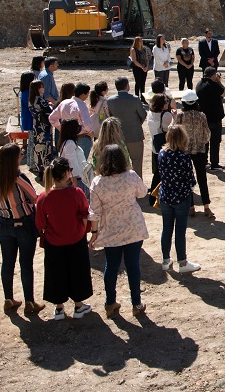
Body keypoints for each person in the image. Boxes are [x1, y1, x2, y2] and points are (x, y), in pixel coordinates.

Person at [89, 144, 149, 317]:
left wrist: (94, 234)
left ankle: (110, 302)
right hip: (132, 227)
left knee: (112, 266)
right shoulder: (130, 176)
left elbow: (94, 211)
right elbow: (143, 193)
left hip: (110, 228)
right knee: (133, 265)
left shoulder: (98, 182)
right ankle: (136, 303)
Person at [0, 143, 45, 315]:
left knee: (8, 262)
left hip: (4, 224)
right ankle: (29, 302)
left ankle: (8, 299)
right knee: (26, 264)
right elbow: (35, 198)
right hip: (23, 224)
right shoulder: (18, 178)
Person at [35, 158, 93, 320]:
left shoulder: (43, 197)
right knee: (78, 271)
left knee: (56, 273)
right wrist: (83, 231)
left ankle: (59, 308)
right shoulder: (76, 193)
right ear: (67, 173)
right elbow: (85, 214)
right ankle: (79, 305)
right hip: (76, 239)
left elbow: (40, 223)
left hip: (54, 242)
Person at [156, 125, 202, 274]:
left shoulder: (162, 154)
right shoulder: (184, 157)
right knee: (180, 231)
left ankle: (165, 260)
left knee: (167, 228)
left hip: (165, 196)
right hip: (181, 197)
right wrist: (189, 188)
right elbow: (191, 179)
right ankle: (182, 262)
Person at [176, 90, 213, 217]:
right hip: (200, 150)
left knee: (187, 180)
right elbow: (207, 134)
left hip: (184, 151)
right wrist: (202, 141)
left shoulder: (180, 116)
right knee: (202, 178)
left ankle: (191, 207)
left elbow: (176, 133)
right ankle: (206, 206)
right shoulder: (202, 116)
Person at [105, 76, 147, 181]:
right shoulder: (134, 99)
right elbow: (143, 114)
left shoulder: (110, 100)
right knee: (137, 161)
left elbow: (109, 117)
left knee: (120, 163)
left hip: (118, 137)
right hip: (135, 135)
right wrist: (137, 124)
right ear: (127, 85)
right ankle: (137, 185)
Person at [196, 67, 225, 170]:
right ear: (213, 75)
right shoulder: (214, 85)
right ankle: (214, 163)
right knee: (215, 142)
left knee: (204, 141)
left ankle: (204, 161)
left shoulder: (199, 84)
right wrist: (218, 81)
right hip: (214, 118)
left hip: (203, 117)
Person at [50, 82, 94, 158]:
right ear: (83, 95)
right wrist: (89, 132)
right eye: (87, 94)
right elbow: (87, 125)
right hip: (81, 137)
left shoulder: (64, 103)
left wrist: (62, 129)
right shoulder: (82, 106)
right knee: (81, 163)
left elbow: (52, 118)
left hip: (66, 137)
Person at [146, 94, 173, 191]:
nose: (168, 103)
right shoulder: (166, 115)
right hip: (164, 146)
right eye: (166, 101)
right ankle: (154, 194)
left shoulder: (150, 113)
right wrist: (174, 116)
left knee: (158, 171)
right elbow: (171, 129)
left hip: (154, 145)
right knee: (161, 172)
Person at [58, 119, 90, 197]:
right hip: (77, 181)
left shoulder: (67, 142)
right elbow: (72, 166)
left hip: (78, 180)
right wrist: (76, 189)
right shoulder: (70, 144)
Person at [30, 79, 56, 176]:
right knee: (46, 149)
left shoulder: (32, 100)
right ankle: (46, 171)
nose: (43, 88)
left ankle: (39, 168)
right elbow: (49, 111)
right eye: (41, 87)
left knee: (37, 148)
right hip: (44, 127)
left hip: (36, 126)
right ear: (38, 89)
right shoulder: (41, 100)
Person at [19, 71, 37, 170]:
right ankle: (31, 163)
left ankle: (31, 163)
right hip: (31, 121)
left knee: (31, 142)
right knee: (32, 142)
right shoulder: (27, 93)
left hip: (29, 120)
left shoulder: (24, 92)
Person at [129, 37, 151, 102]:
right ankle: (136, 97)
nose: (141, 42)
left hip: (144, 68)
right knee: (138, 83)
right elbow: (134, 60)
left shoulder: (144, 49)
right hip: (137, 68)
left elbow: (147, 59)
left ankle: (143, 97)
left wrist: (146, 66)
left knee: (143, 83)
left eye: (142, 41)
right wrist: (141, 67)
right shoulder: (133, 50)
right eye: (140, 41)